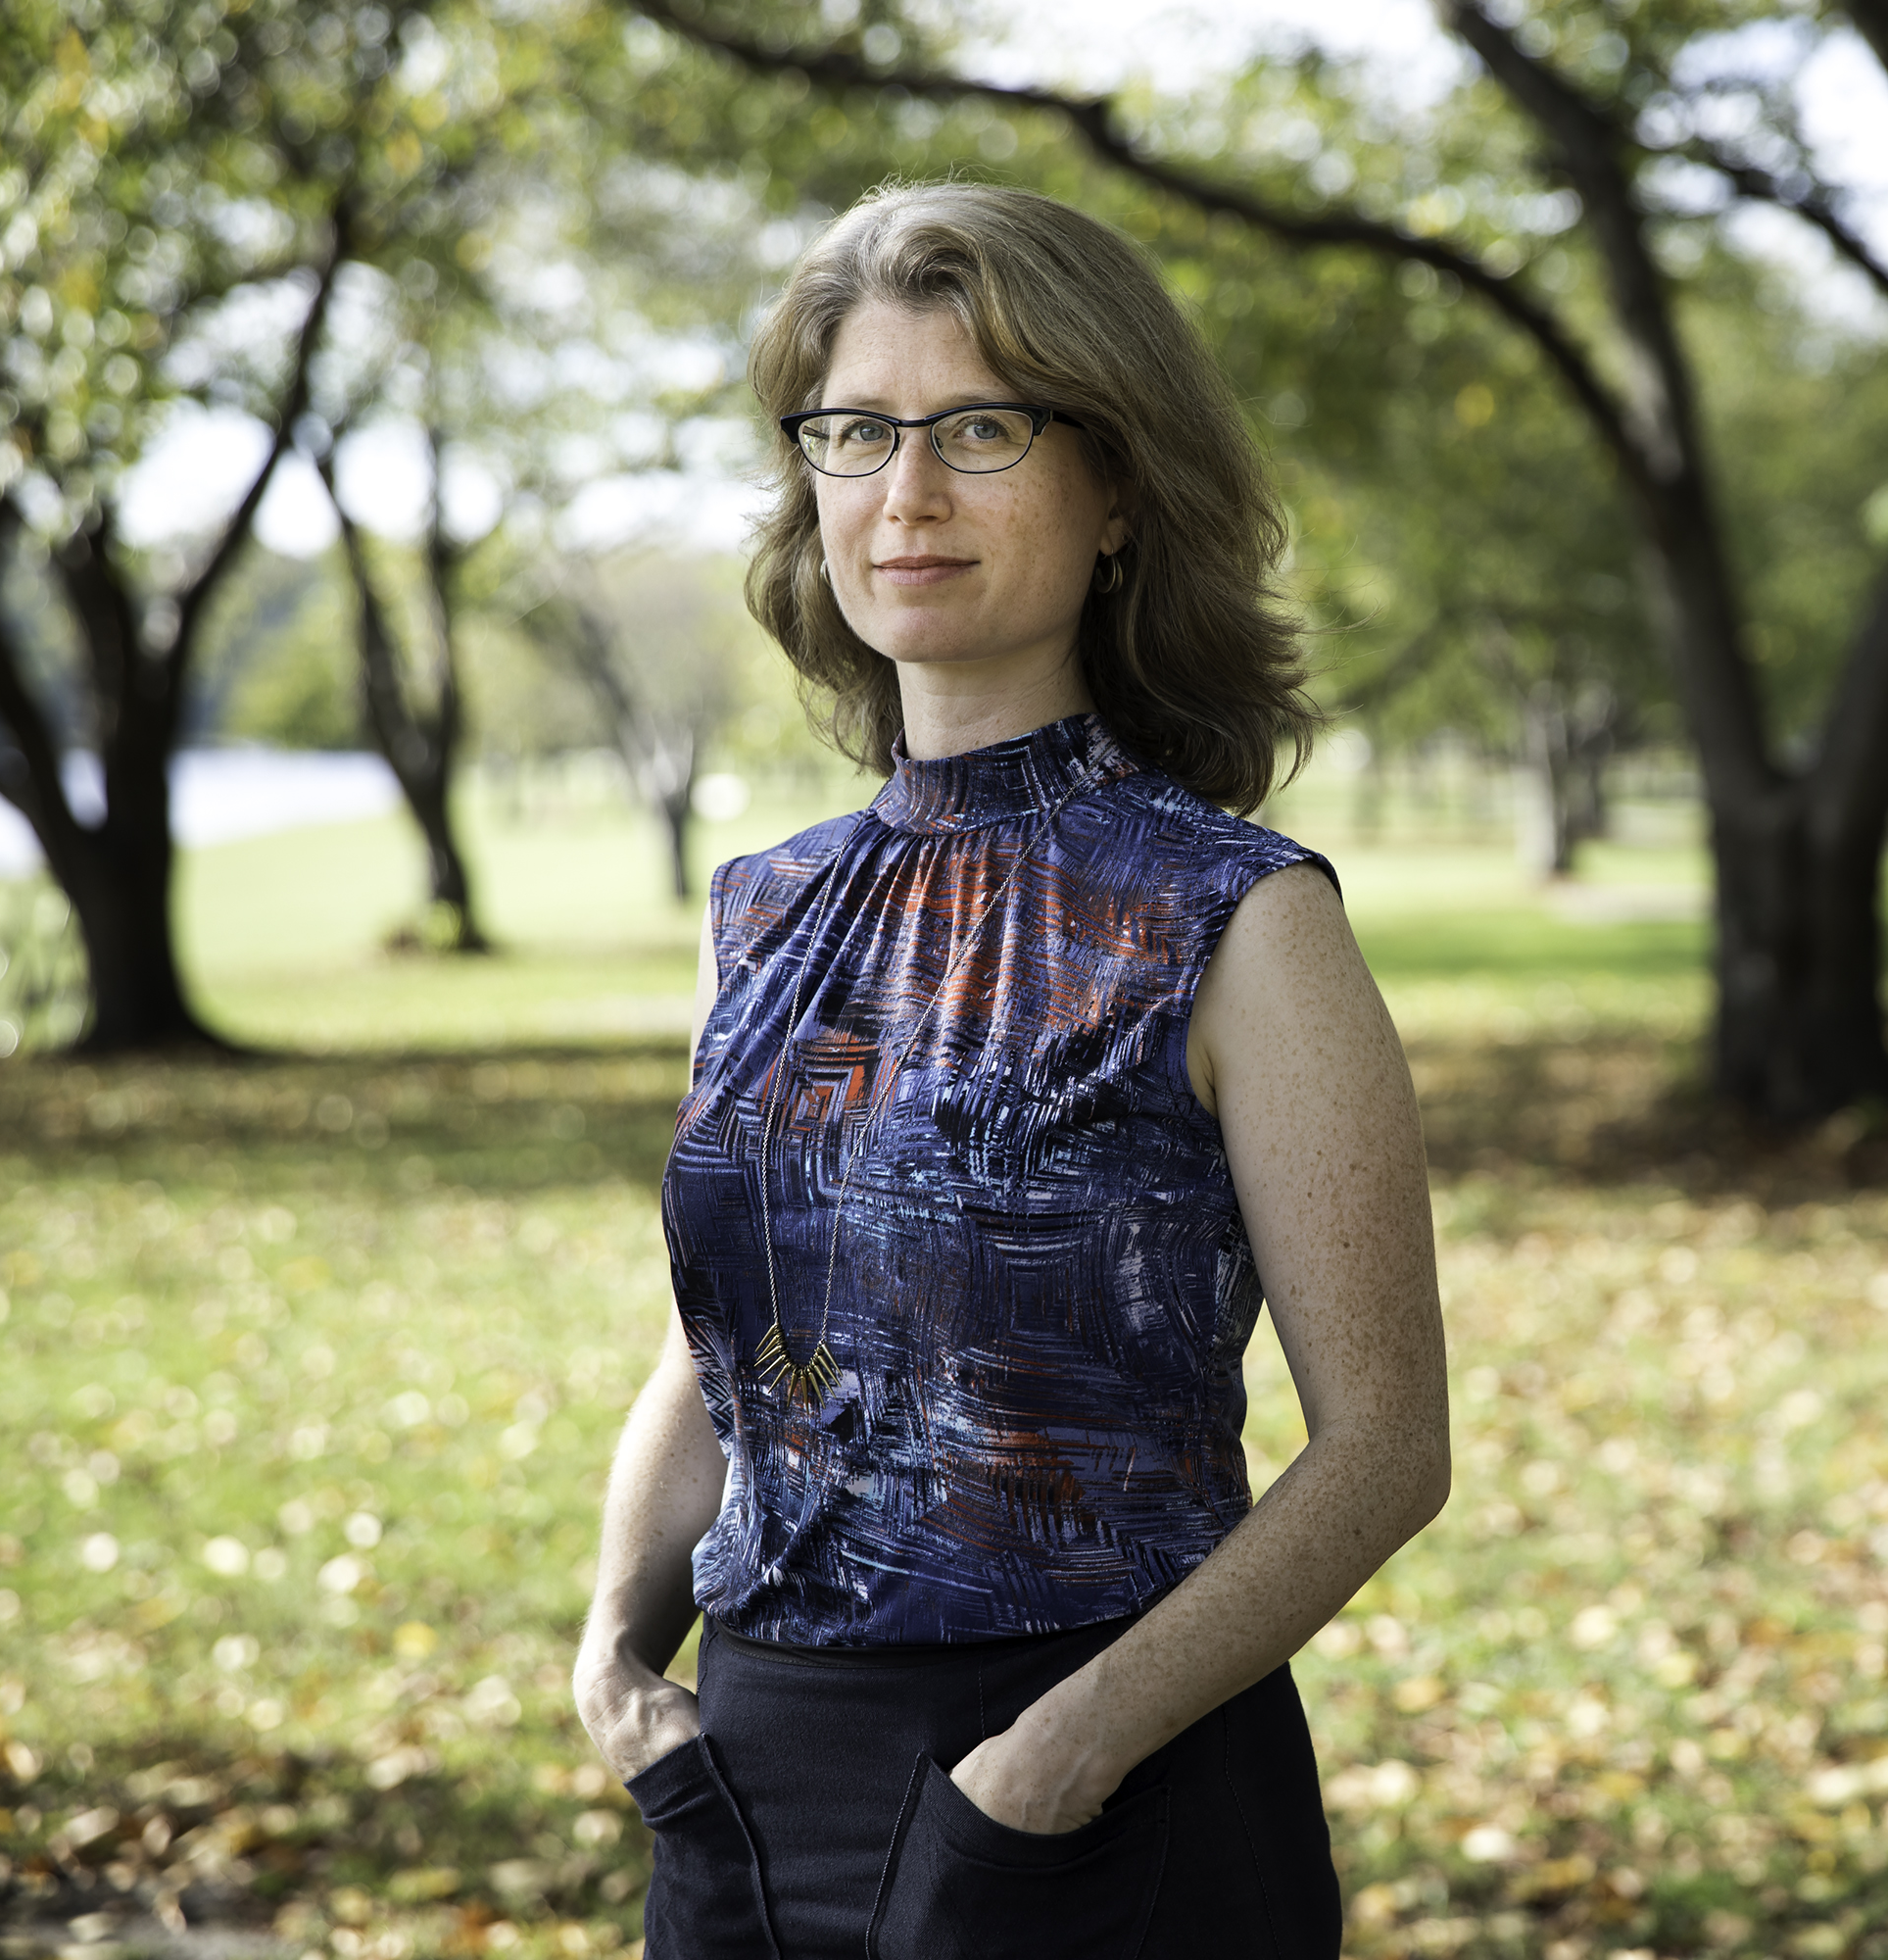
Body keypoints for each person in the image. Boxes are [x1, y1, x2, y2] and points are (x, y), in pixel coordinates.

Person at [567, 182, 1451, 1958]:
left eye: (981, 429)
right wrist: (612, 1656)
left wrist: (1052, 1763)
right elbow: (716, 1346)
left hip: (1097, 1801)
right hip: (740, 1793)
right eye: (858, 432)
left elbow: (1386, 1453)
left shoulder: (1242, 920)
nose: (906, 494)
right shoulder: (762, 910)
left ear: (1116, 491)